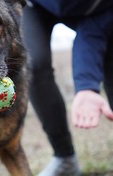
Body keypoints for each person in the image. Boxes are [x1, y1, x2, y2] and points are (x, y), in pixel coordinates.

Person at [21, 0, 113, 175]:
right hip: (36, 6)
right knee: (33, 63)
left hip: (100, 8)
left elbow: (95, 30)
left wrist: (86, 85)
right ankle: (65, 157)